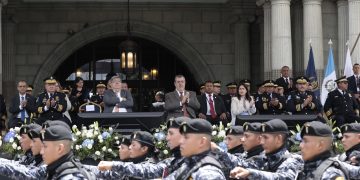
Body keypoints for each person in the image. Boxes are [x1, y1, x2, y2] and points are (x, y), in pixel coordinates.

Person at [97, 117, 190, 179]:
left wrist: (113, 165)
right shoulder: (173, 161)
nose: (167, 138)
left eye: (171, 133)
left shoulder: (195, 162)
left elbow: (147, 170)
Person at [230, 119, 303, 179]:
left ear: (278, 139)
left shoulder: (293, 160)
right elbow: (241, 164)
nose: (261, 142)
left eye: (265, 137)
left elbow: (284, 177)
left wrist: (250, 173)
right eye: (261, 138)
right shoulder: (264, 159)